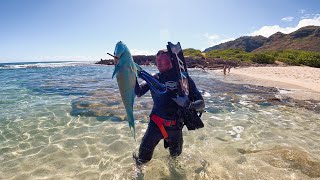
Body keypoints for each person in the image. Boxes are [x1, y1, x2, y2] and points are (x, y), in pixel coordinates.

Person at [133, 49, 205, 165]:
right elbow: (139, 92)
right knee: (141, 160)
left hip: (175, 128)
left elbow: (201, 103)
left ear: (171, 61)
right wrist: (131, 75)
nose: (158, 63)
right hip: (155, 125)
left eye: (162, 60)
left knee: (175, 160)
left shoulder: (183, 79)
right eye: (157, 60)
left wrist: (188, 104)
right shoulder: (154, 78)